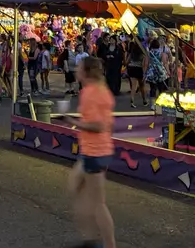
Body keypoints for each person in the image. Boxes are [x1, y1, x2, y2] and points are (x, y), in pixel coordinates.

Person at [65, 56, 116, 248]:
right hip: (98, 149)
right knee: (75, 185)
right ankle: (89, 237)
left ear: (86, 72)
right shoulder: (102, 91)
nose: (76, 71)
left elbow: (98, 125)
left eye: (78, 68)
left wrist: (74, 123)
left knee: (98, 203)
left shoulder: (90, 93)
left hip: (94, 152)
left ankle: (105, 244)